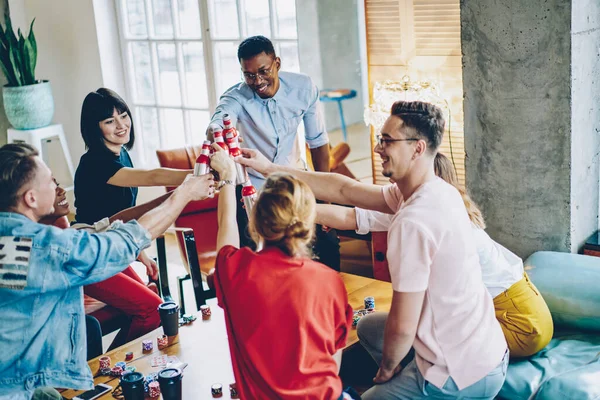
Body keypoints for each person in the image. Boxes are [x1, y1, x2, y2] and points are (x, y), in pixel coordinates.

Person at [236, 100, 509, 399]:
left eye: (387, 141)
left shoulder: (413, 221)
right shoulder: (436, 191)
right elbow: (343, 190)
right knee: (368, 327)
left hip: (460, 372)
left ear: (417, 148)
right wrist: (271, 169)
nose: (378, 148)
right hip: (488, 347)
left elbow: (404, 327)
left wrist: (387, 371)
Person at [0, 143, 214, 399]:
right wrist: (185, 193)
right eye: (49, 181)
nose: (58, 187)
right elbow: (123, 243)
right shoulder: (41, 247)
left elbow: (112, 228)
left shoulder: (11, 235)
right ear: (31, 198)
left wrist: (182, 191)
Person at [316, 152, 553, 358]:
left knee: (405, 331)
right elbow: (352, 217)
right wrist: (298, 212)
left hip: (517, 324)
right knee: (388, 326)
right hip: (527, 313)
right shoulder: (432, 208)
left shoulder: (437, 219)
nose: (397, 187)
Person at [208, 144, 354, 399]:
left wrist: (228, 179)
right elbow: (334, 364)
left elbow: (226, 225)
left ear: (254, 222)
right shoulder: (330, 280)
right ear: (309, 225)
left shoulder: (234, 270)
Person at [208, 35, 340, 271]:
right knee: (260, 261)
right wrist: (217, 131)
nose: (257, 80)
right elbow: (219, 119)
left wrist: (325, 197)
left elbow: (317, 141)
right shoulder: (236, 97)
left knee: (327, 246)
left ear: (277, 63)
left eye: (263, 71)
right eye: (248, 74)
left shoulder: (303, 88)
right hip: (254, 191)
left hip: (296, 180)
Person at [40, 179, 174, 350]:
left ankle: (116, 366)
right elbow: (151, 175)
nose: (62, 190)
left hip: (86, 255)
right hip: (75, 273)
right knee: (152, 308)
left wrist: (179, 193)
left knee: (150, 300)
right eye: (50, 185)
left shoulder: (62, 228)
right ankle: (112, 370)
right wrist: (182, 193)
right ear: (30, 198)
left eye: (57, 183)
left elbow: (109, 224)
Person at [74, 88, 191, 282]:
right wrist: (200, 173)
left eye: (123, 115)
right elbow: (152, 176)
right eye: (110, 121)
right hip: (94, 244)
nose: (121, 125)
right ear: (95, 127)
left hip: (115, 238)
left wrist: (141, 253)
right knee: (148, 302)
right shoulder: (94, 162)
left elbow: (124, 213)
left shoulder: (121, 153)